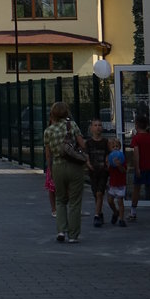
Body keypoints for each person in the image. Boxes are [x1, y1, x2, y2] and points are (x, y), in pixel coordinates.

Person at [42, 101, 88, 243]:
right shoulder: (72, 126)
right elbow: (83, 145)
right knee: (74, 201)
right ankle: (73, 236)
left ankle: (61, 230)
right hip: (74, 166)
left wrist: (50, 170)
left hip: (58, 167)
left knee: (60, 199)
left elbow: (48, 155)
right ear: (66, 112)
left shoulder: (48, 131)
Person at [86, 118, 110, 226]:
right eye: (95, 125)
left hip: (103, 171)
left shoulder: (105, 142)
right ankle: (99, 213)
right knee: (96, 194)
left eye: (100, 125)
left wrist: (107, 161)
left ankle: (96, 216)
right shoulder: (89, 142)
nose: (98, 127)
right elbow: (86, 156)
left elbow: (108, 154)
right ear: (91, 128)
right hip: (93, 172)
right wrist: (88, 164)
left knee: (100, 193)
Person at [106, 138, 127, 226]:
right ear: (110, 149)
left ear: (120, 147)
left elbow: (124, 171)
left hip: (120, 184)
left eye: (117, 146)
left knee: (120, 201)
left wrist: (119, 165)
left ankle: (121, 220)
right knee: (110, 201)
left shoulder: (121, 157)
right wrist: (108, 164)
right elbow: (107, 171)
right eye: (113, 146)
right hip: (112, 183)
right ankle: (115, 212)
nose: (115, 148)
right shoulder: (109, 158)